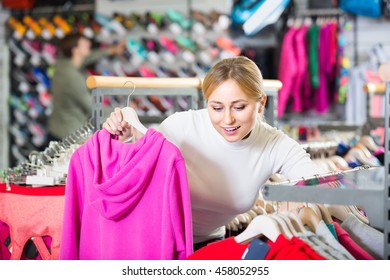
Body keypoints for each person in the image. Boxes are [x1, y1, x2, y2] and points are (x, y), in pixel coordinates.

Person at [102, 56, 324, 251]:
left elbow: (318, 182)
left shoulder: (274, 145)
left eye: (239, 107)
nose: (227, 119)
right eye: (216, 108)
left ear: (260, 103)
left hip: (209, 244)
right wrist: (125, 139)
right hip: (150, 240)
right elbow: (139, 166)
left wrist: (304, 198)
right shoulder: (182, 126)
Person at [47, 32, 125, 142]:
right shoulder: (73, 78)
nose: (89, 42)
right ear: (75, 50)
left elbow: (87, 57)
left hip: (56, 128)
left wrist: (111, 50)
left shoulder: (62, 64)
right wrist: (123, 110)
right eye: (84, 42)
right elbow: (93, 108)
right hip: (69, 135)